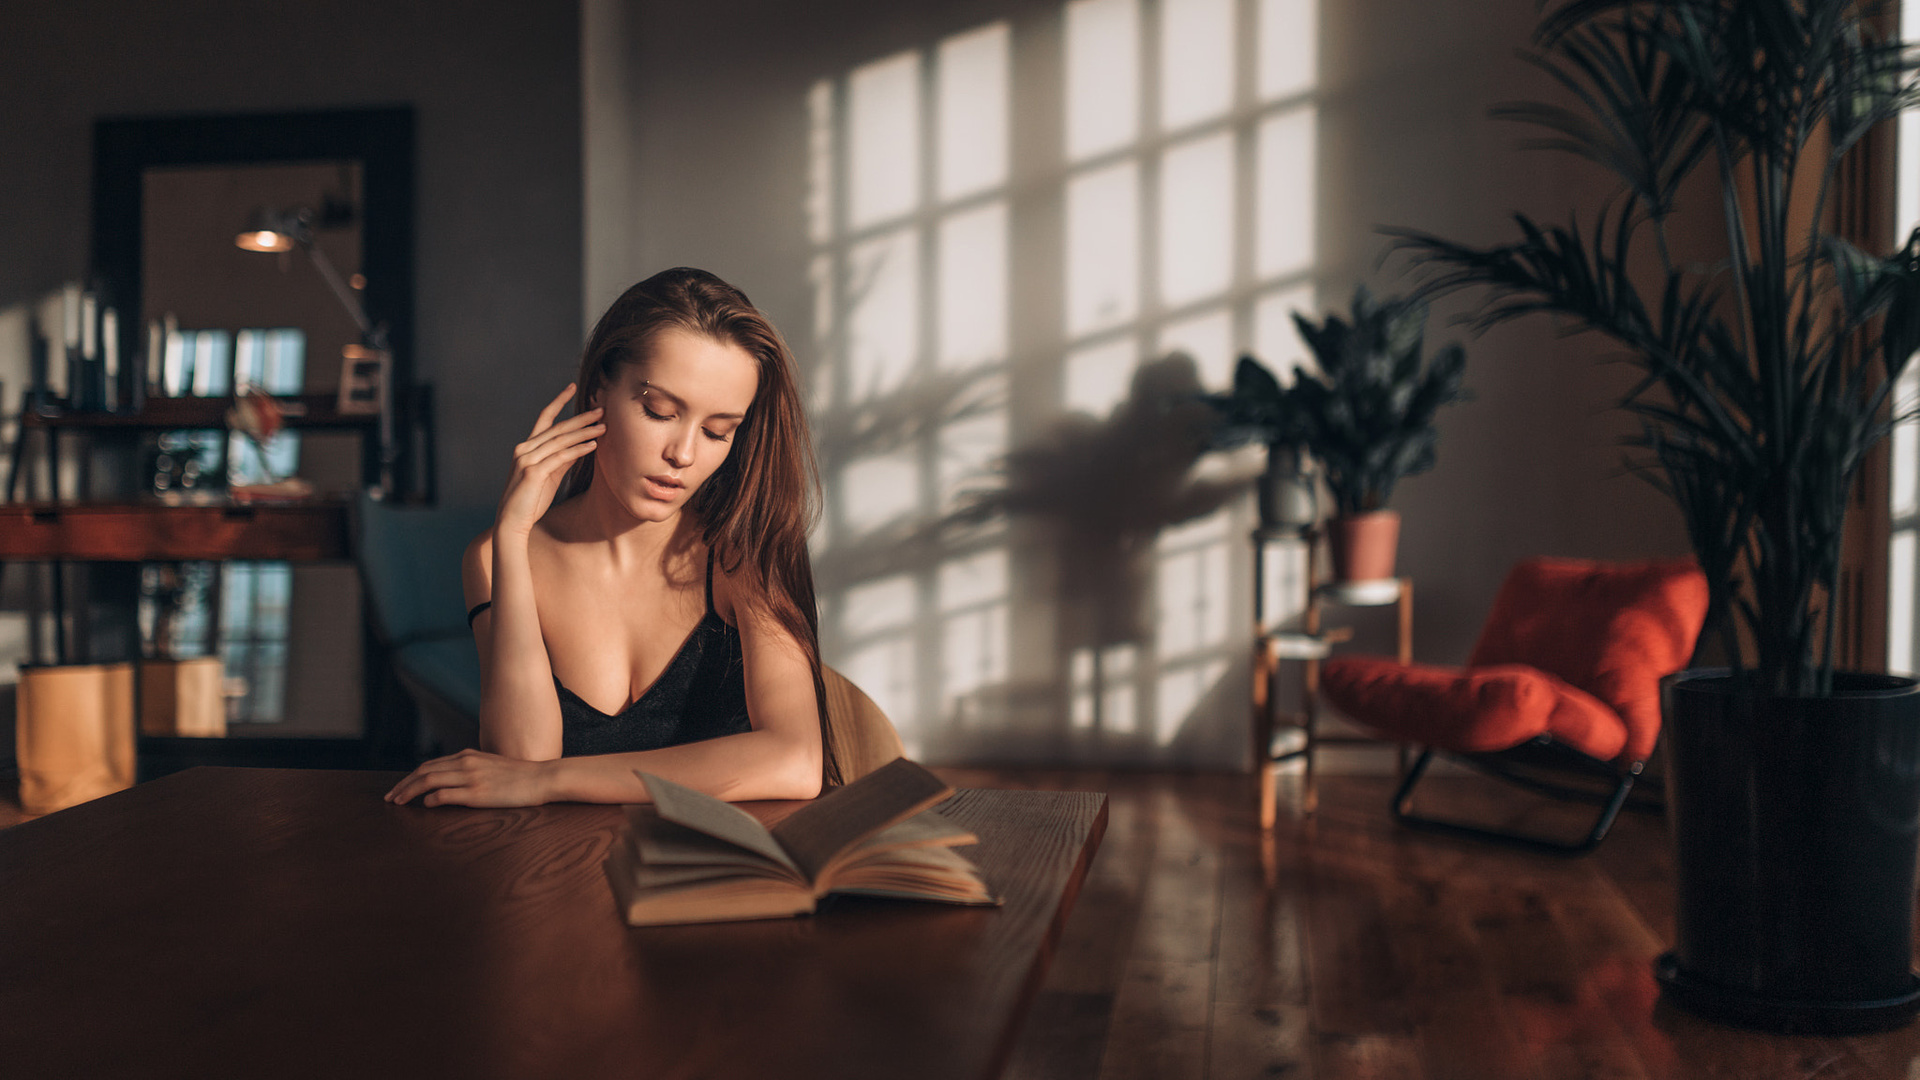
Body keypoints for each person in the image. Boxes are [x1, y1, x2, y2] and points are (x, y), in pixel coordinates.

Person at [385, 267, 838, 808]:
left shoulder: (743, 554)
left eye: (718, 431)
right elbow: (519, 760)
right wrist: (512, 534)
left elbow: (796, 761)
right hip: (564, 873)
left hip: (722, 877)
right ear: (600, 387)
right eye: (660, 412)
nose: (685, 455)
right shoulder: (495, 557)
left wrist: (555, 781)